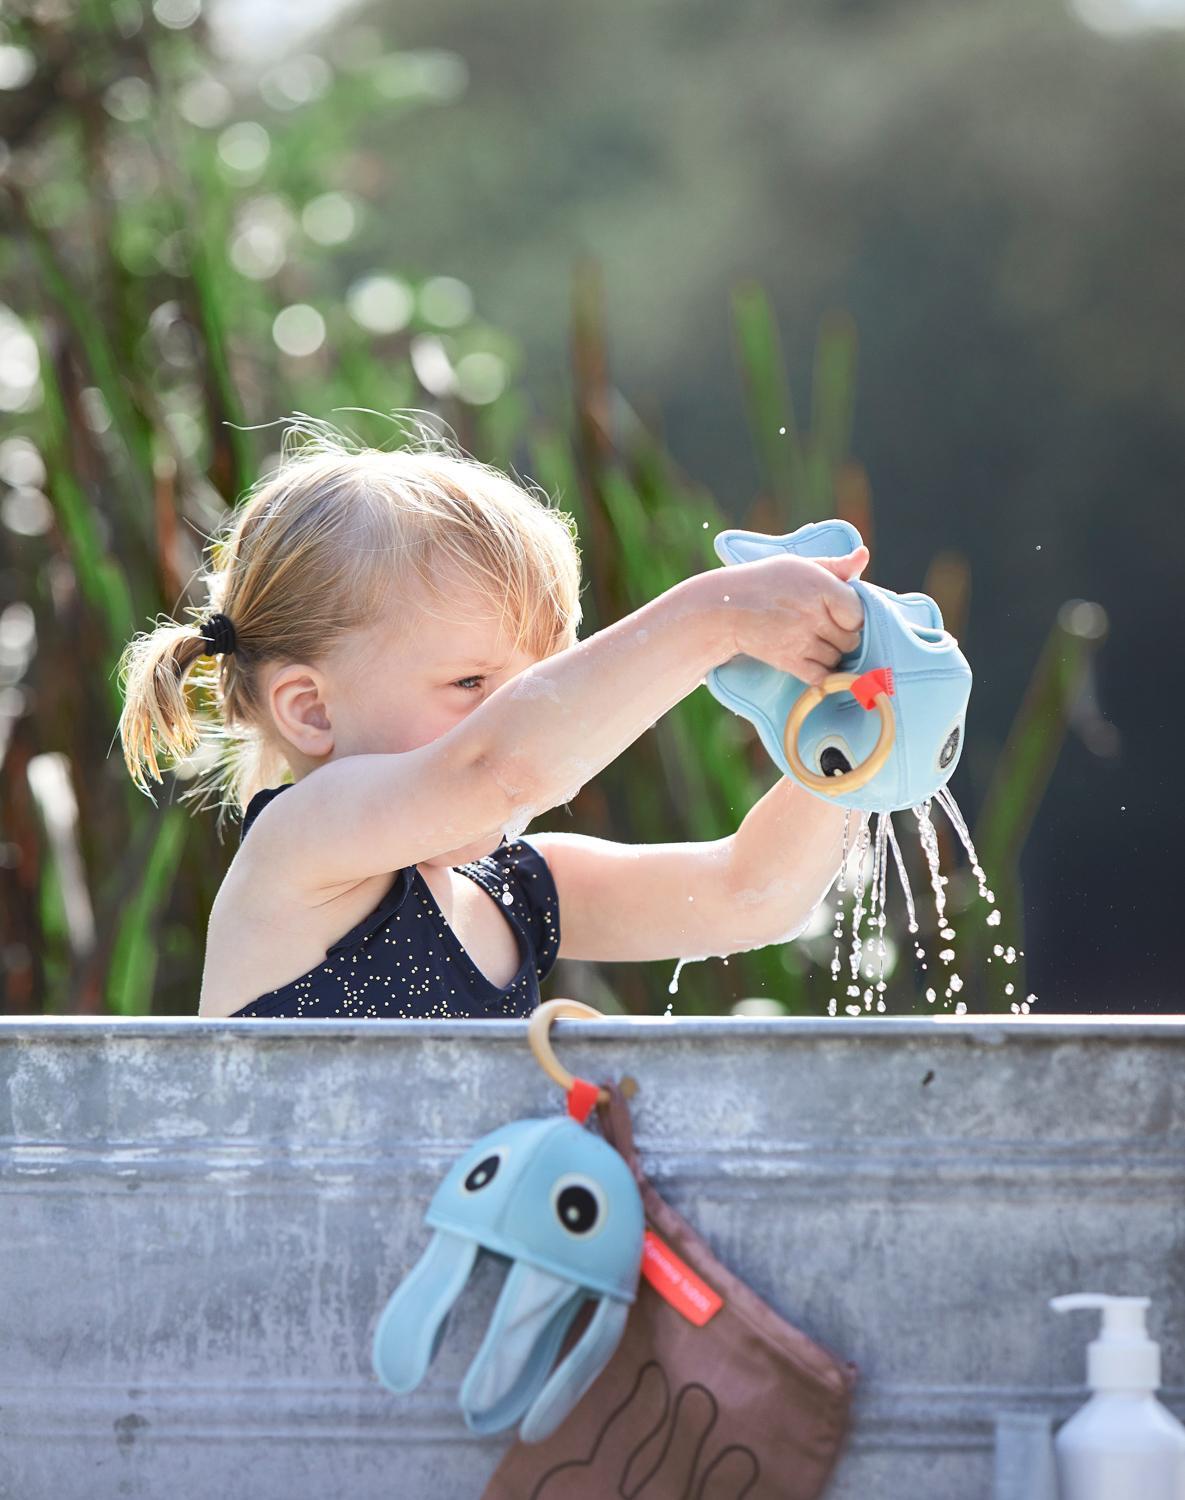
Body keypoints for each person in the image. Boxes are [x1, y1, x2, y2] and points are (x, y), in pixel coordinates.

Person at [116, 418, 869, 1020]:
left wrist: (856, 746)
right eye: (472, 682)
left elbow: (748, 895)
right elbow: (499, 771)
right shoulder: (302, 849)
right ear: (311, 710)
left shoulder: (518, 894)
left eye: (537, 682)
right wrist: (715, 617)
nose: (518, 714)